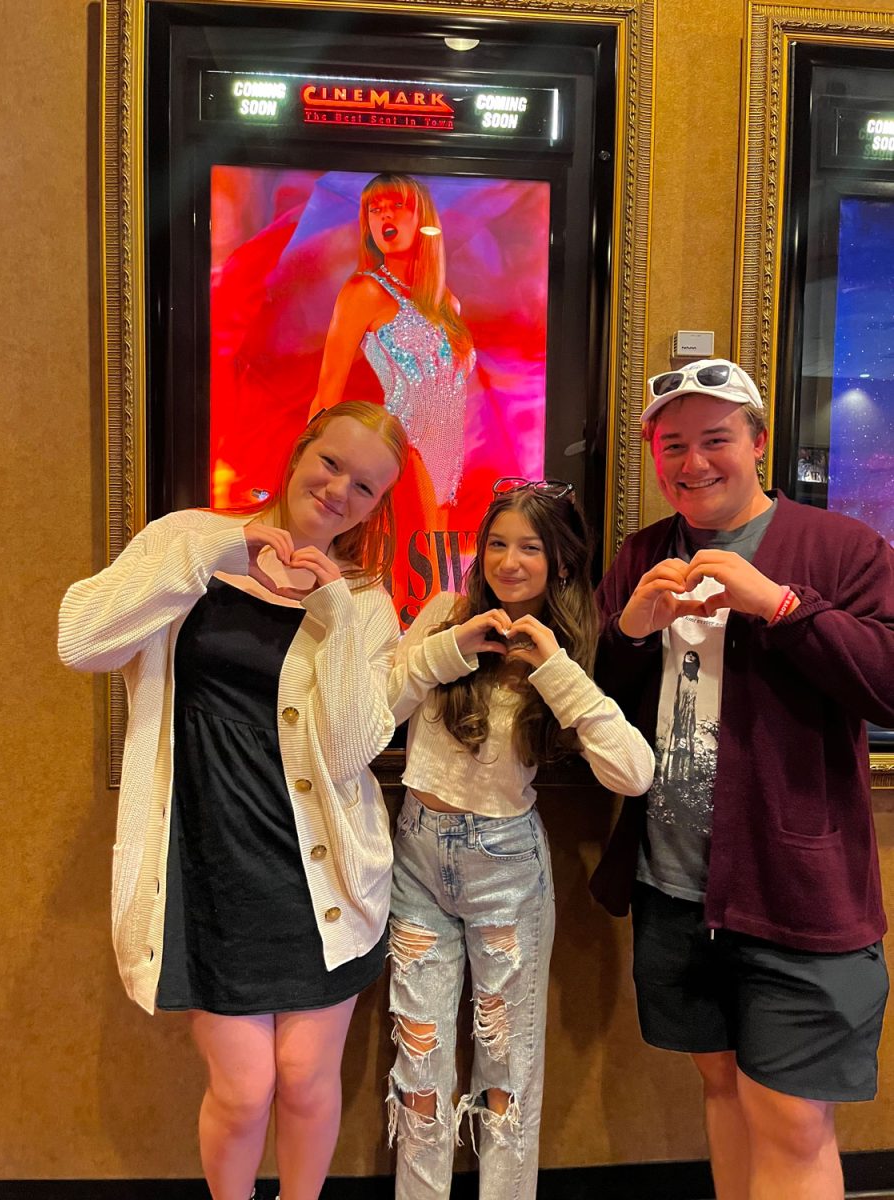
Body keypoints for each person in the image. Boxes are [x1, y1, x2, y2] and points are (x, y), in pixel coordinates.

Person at [58, 402, 408, 1200]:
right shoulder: (191, 539)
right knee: (245, 1088)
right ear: (298, 452)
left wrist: (341, 617)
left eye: (366, 487)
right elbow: (80, 641)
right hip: (208, 868)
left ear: (376, 507)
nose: (339, 491)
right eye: (330, 463)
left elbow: (357, 749)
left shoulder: (367, 603)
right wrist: (226, 544)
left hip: (317, 879)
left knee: (307, 1081)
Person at [590, 359, 894, 1200]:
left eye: (715, 440)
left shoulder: (842, 549)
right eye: (673, 445)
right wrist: (628, 631)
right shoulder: (645, 554)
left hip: (798, 892)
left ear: (758, 442)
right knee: (721, 1092)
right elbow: (598, 714)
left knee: (793, 1123)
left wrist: (783, 607)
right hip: (676, 889)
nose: (694, 464)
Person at [384, 479, 655, 1199]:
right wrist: (453, 646)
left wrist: (554, 667)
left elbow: (632, 772)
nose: (509, 561)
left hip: (505, 867)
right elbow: (374, 713)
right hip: (415, 857)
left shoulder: (571, 646)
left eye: (529, 548)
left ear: (559, 562)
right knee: (420, 1063)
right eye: (497, 543)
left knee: (507, 1066)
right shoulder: (446, 613)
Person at [310, 172, 475, 511]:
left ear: (422, 218)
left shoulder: (448, 302)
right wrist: (310, 474)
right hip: (399, 453)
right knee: (402, 553)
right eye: (375, 209)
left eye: (398, 205)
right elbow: (327, 393)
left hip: (451, 461)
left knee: (435, 556)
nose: (385, 215)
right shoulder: (364, 292)